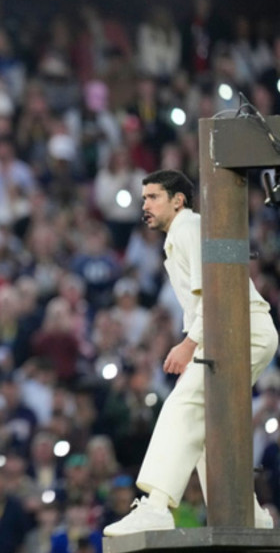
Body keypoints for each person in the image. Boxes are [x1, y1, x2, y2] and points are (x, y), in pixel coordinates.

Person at [104, 169, 279, 535]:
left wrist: (189, 344)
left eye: (153, 197)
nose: (145, 206)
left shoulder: (187, 228)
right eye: (143, 199)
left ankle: (156, 505)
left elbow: (216, 293)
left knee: (182, 407)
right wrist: (196, 341)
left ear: (178, 200)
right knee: (207, 425)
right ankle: (248, 513)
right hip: (237, 330)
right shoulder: (182, 234)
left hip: (239, 331)